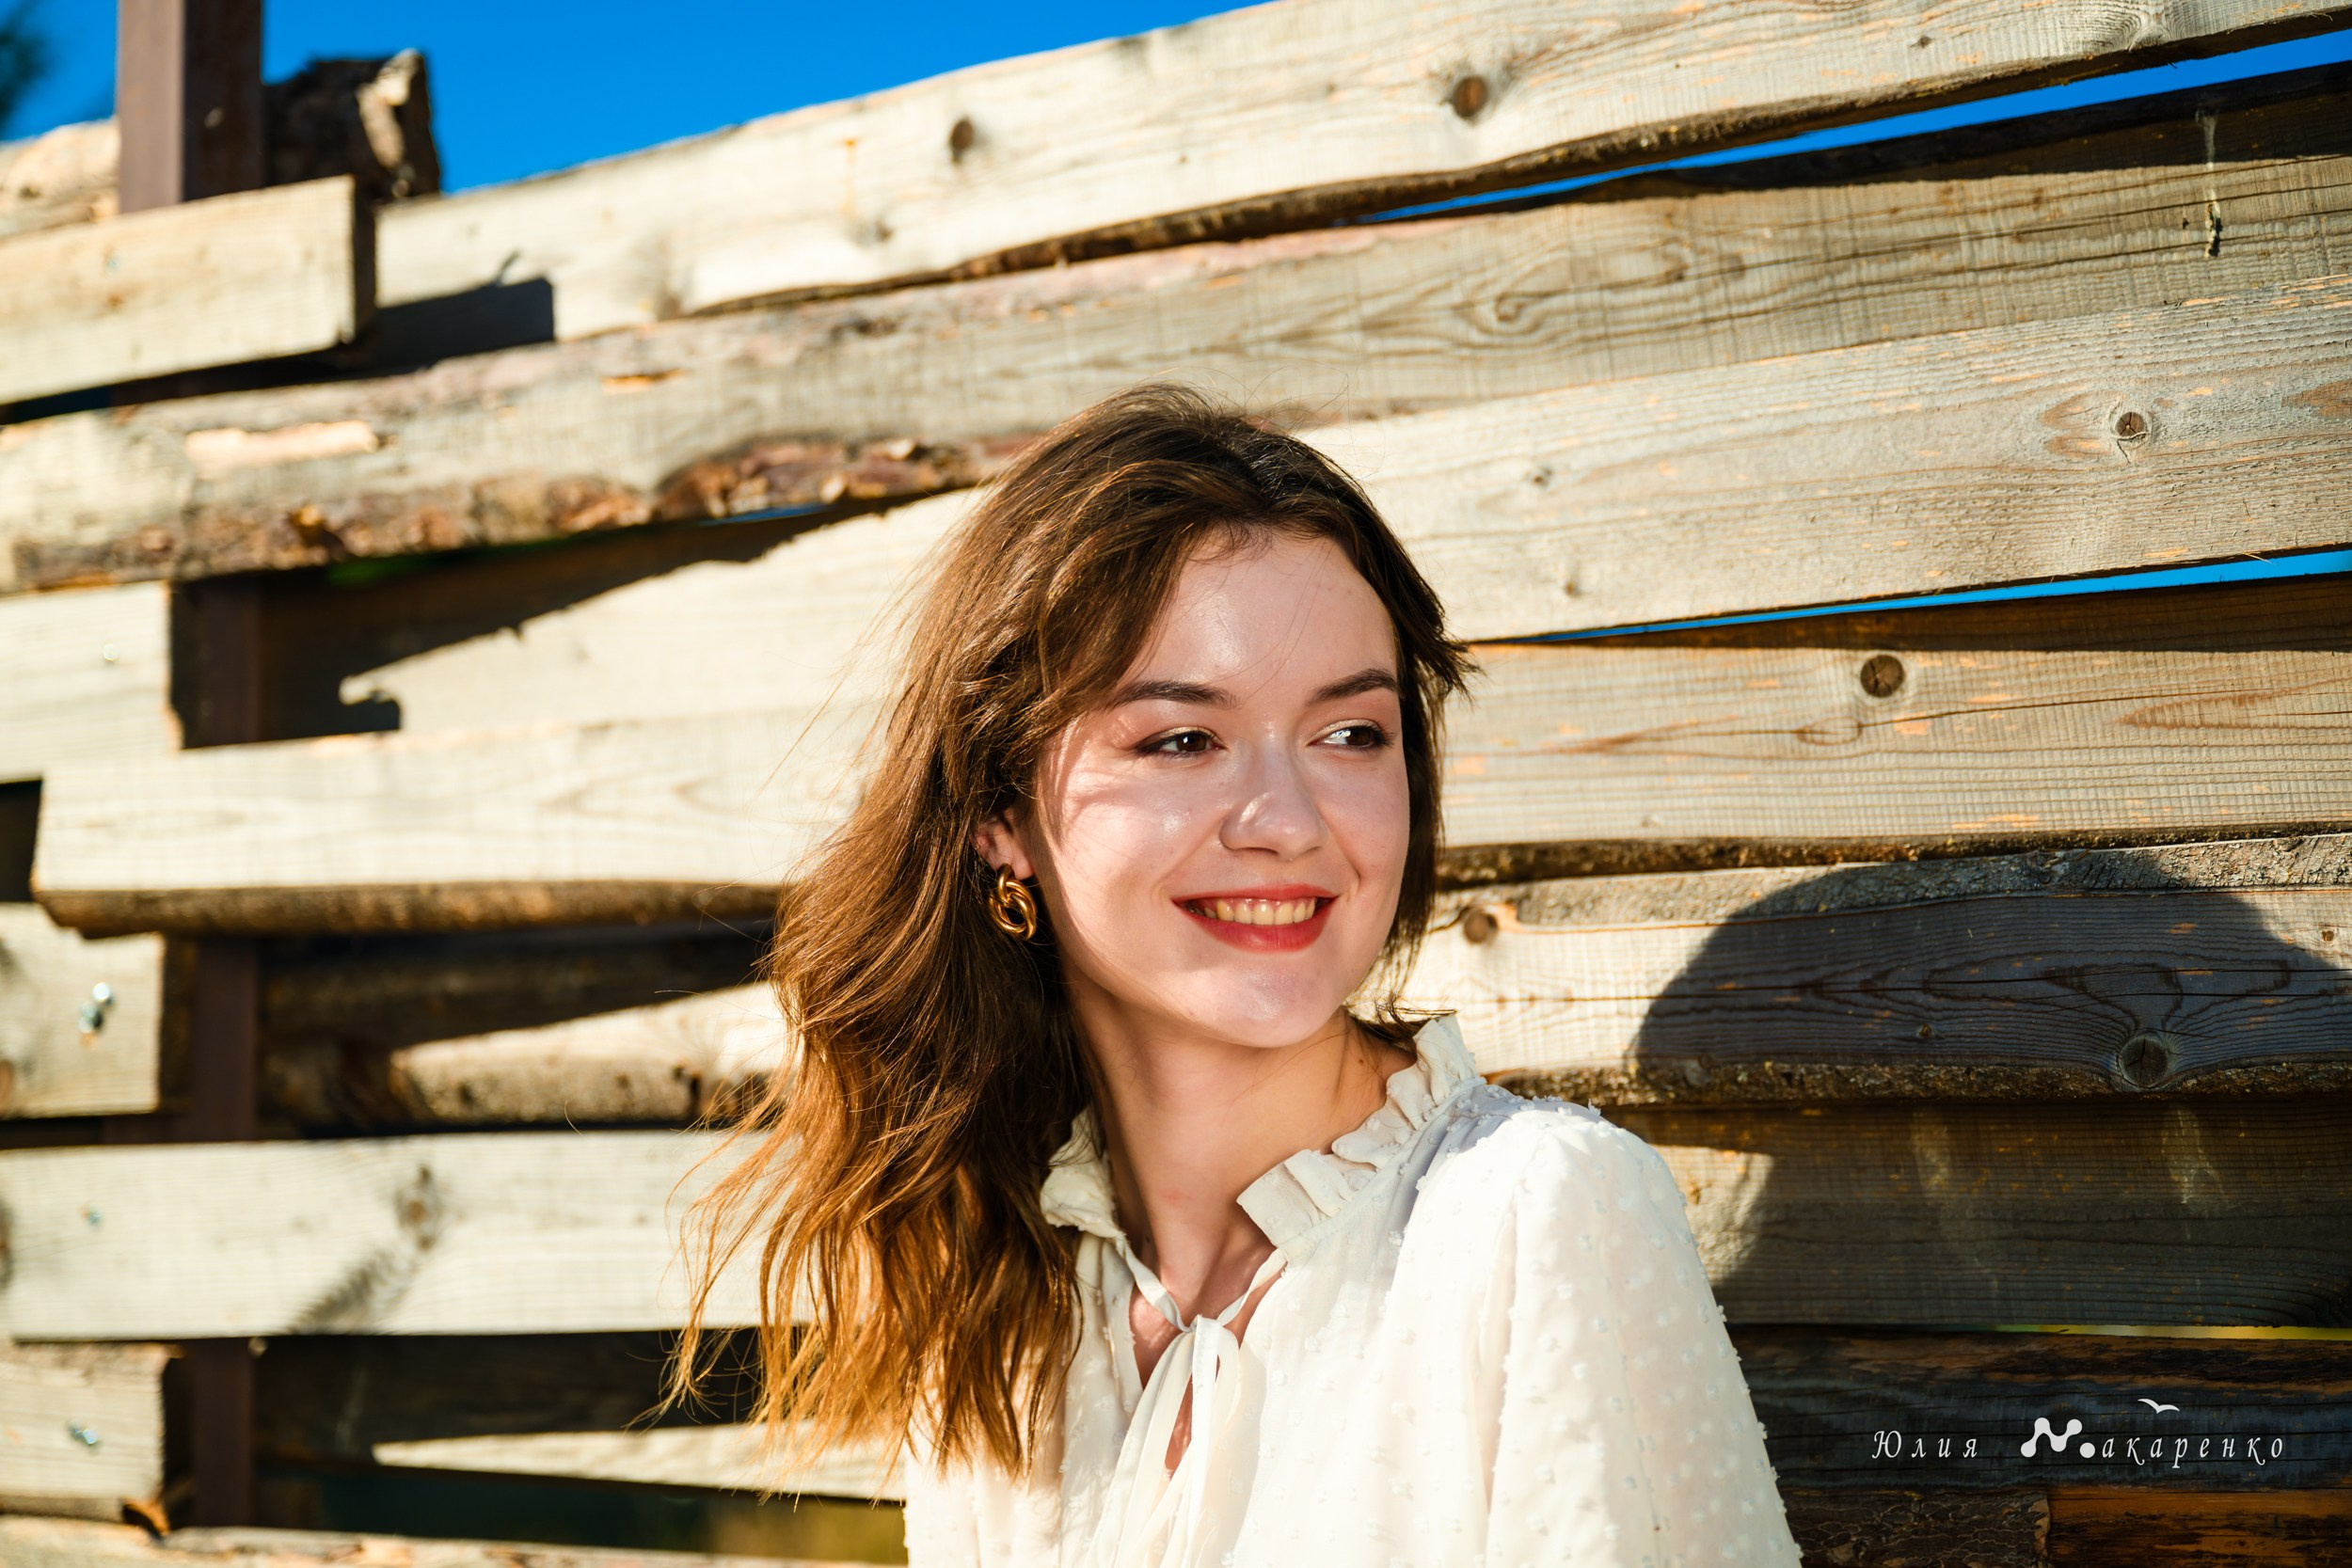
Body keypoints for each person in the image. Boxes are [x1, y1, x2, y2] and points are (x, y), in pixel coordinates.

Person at [673, 386, 1803, 1566]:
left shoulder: (1535, 1215)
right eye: (1180, 738)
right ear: (999, 812)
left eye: (1350, 733)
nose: (1287, 819)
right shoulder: (1011, 1312)